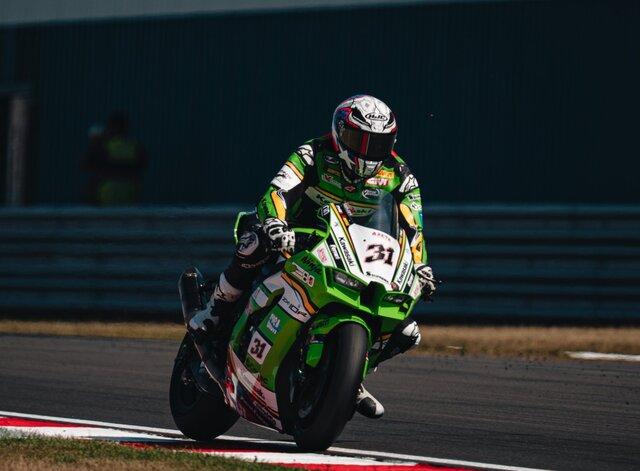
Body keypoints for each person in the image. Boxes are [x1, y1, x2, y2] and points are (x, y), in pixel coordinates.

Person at [186, 95, 437, 419]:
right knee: (254, 243)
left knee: (406, 331)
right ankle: (215, 312)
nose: (367, 152)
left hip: (355, 252)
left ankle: (349, 376)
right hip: (297, 233)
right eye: (359, 140)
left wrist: (420, 266)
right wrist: (275, 223)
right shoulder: (313, 153)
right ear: (340, 132)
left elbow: (413, 227)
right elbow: (278, 191)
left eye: (377, 143)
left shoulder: (400, 175)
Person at [83, 111, 147, 205]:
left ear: (110, 128)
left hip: (106, 191)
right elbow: (142, 166)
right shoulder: (136, 146)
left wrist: (95, 143)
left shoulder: (102, 146)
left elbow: (86, 165)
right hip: (129, 190)